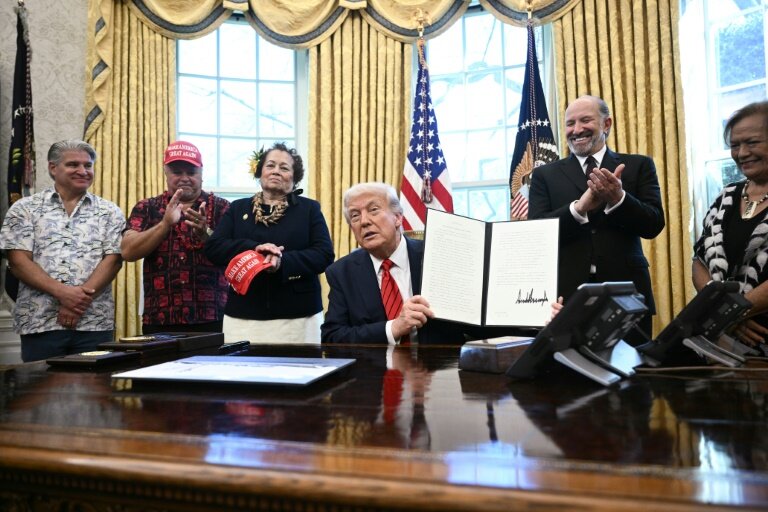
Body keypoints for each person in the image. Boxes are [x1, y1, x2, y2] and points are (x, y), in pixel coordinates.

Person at [528, 95, 665, 343]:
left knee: (631, 372)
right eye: (570, 123)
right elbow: (538, 235)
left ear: (607, 124)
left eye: (586, 120)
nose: (577, 129)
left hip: (628, 295)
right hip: (564, 298)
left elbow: (654, 224)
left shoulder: (638, 165)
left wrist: (619, 199)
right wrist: (579, 208)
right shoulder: (544, 175)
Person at [0, 140, 124, 361]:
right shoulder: (24, 209)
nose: (82, 171)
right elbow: (18, 262)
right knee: (40, 391)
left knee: (93, 392)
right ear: (52, 168)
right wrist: (64, 293)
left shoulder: (110, 211)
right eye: (73, 164)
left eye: (88, 165)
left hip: (94, 322)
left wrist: (76, 302)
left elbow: (113, 260)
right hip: (39, 322)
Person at [205, 142, 333, 343]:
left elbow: (324, 254)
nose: (276, 171)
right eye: (270, 165)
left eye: (284, 168)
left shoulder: (309, 209)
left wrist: (283, 262)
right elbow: (213, 248)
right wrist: (253, 250)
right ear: (260, 172)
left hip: (299, 318)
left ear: (295, 177)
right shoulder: (238, 209)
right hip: (243, 317)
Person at [321, 182, 468, 344]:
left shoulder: (437, 257)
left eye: (373, 210)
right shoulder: (342, 272)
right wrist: (393, 328)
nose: (364, 221)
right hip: (377, 367)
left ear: (398, 217)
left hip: (439, 364)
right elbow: (332, 337)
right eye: (355, 215)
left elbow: (471, 321)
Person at [121, 141, 230, 333]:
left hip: (212, 315)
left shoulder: (223, 208)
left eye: (191, 172)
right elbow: (128, 251)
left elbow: (234, 255)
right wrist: (164, 224)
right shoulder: (147, 207)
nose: (184, 178)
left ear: (201, 174)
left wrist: (207, 235)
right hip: (160, 317)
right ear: (166, 174)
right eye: (177, 172)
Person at [693, 100, 768, 349]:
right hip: (721, 339)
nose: (742, 153)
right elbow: (700, 261)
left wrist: (732, 313)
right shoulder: (726, 195)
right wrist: (724, 314)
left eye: (752, 142)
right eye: (735, 145)